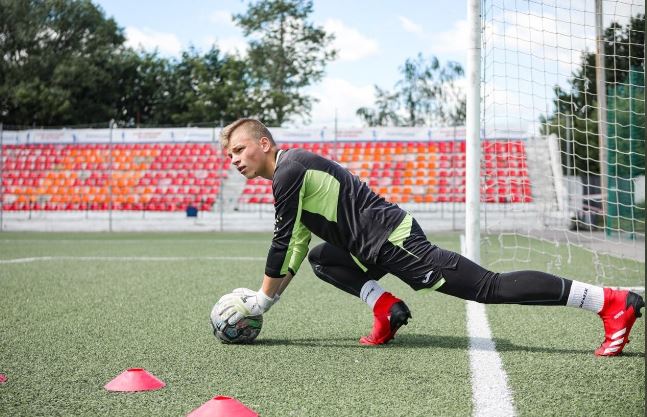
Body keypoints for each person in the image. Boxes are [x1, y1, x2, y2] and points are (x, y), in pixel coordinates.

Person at [216, 118, 644, 356]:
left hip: (392, 241)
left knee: (487, 287)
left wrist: (263, 299)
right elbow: (295, 244)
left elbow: (281, 238)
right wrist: (268, 296)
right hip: (370, 245)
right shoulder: (289, 173)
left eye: (239, 149)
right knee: (325, 259)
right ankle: (386, 309)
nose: (234, 159)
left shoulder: (289, 170)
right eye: (229, 154)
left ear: (265, 143)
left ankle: (609, 301)